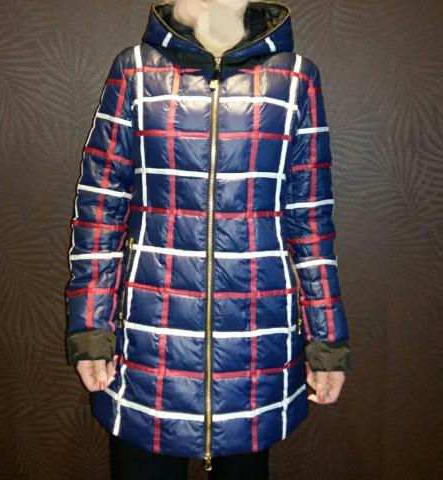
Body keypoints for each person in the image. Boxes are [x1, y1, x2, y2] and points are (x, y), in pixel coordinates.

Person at [64, 1, 353, 478]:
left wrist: (327, 341)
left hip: (256, 346)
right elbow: (100, 208)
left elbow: (310, 222)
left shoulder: (296, 79)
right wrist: (91, 329)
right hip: (147, 344)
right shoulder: (135, 71)